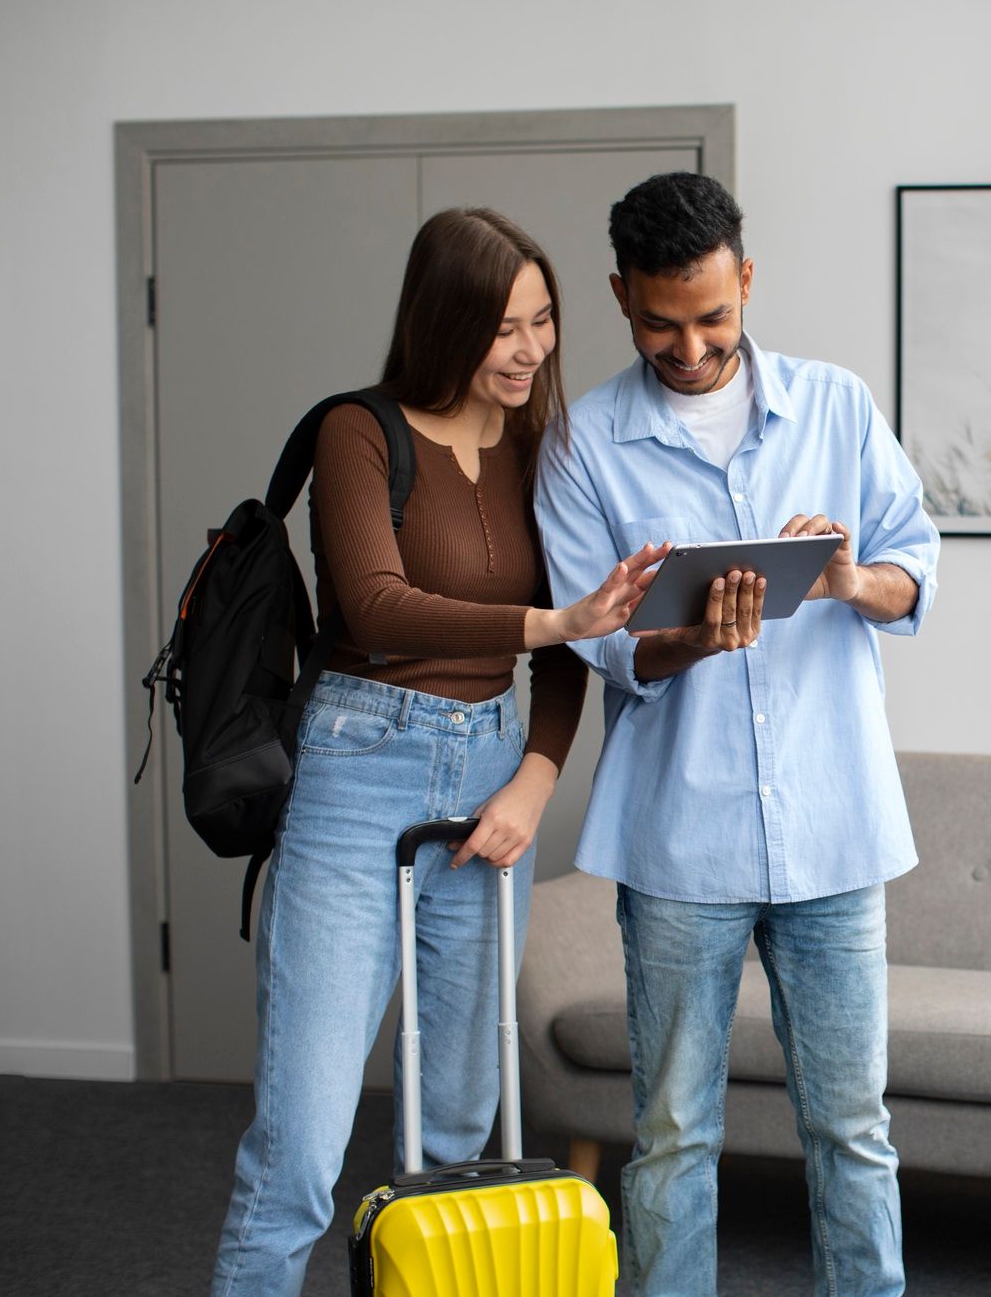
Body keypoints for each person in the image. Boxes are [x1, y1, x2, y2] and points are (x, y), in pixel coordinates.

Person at [211, 207, 666, 1297]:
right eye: (504, 326)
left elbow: (578, 651)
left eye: (544, 321)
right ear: (444, 319)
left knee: (462, 1131)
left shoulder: (540, 451)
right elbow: (375, 606)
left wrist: (534, 781)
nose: (530, 350)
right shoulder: (357, 432)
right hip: (355, 772)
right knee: (300, 1149)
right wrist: (548, 624)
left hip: (491, 781)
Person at [536, 172, 941, 1296]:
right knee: (670, 1136)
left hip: (833, 829)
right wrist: (693, 640)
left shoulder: (838, 407)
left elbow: (917, 570)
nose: (691, 345)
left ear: (746, 280)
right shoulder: (583, 445)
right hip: (679, 844)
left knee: (852, 1130)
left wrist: (855, 578)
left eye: (714, 317)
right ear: (620, 295)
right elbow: (600, 645)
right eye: (661, 322)